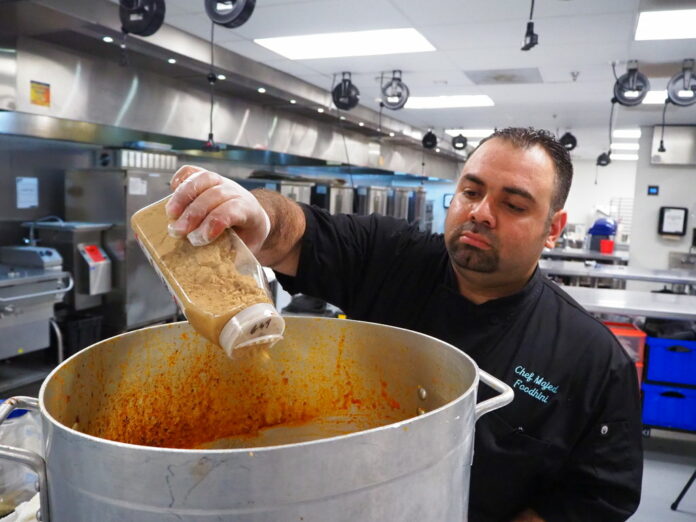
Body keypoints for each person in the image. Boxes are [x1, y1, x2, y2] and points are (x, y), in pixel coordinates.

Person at [165, 127, 643, 521]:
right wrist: (257, 215)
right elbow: (295, 232)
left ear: (554, 229)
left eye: (514, 205)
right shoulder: (391, 257)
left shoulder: (593, 359)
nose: (480, 213)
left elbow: (598, 497)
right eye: (471, 191)